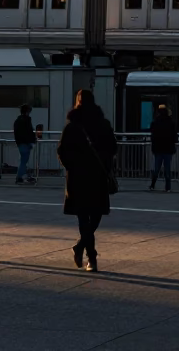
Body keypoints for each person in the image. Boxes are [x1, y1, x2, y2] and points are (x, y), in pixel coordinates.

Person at [57, 88, 117, 273]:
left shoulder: (72, 125)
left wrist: (73, 166)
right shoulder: (103, 123)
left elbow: (62, 151)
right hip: (97, 175)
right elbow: (112, 148)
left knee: (83, 217)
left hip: (78, 177)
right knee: (96, 214)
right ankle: (89, 254)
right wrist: (105, 164)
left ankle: (85, 252)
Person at [149, 103, 177, 192]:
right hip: (168, 149)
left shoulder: (155, 123)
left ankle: (152, 185)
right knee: (167, 169)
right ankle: (167, 187)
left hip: (158, 149)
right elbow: (175, 137)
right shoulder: (171, 123)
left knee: (156, 169)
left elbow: (153, 136)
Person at [13, 104, 37, 184]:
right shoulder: (26, 120)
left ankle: (20, 176)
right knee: (24, 161)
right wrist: (32, 141)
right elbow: (29, 132)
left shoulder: (18, 120)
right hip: (26, 143)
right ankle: (19, 177)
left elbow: (17, 133)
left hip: (20, 143)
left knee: (23, 160)